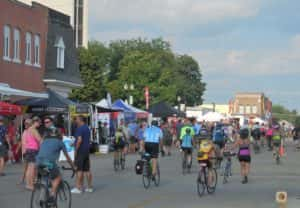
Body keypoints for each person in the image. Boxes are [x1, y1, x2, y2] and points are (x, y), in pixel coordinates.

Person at [36, 127, 76, 205]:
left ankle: (41, 199)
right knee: (57, 177)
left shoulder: (45, 141)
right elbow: (67, 157)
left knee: (45, 179)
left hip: (38, 162)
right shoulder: (60, 142)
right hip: (49, 163)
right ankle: (52, 195)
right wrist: (73, 167)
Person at [72, 116, 93, 194]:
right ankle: (90, 187)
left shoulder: (79, 128)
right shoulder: (87, 128)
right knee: (87, 169)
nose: (75, 120)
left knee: (79, 169)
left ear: (80, 120)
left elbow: (79, 140)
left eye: (76, 119)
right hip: (86, 150)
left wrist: (76, 149)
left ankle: (78, 188)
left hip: (81, 150)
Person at [23, 116, 42, 190]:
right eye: (39, 123)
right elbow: (39, 140)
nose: (40, 124)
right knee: (32, 168)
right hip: (33, 150)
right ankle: (31, 185)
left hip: (29, 149)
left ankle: (28, 184)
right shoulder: (34, 130)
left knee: (29, 168)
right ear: (36, 122)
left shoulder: (28, 130)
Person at [19, 118, 32, 184]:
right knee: (26, 167)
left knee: (29, 167)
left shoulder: (31, 131)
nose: (25, 124)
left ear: (30, 124)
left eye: (27, 123)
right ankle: (23, 180)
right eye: (25, 123)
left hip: (29, 151)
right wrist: (17, 148)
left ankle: (28, 182)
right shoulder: (24, 131)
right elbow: (22, 141)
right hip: (24, 151)